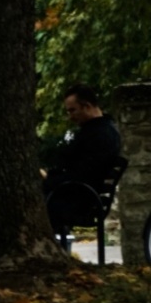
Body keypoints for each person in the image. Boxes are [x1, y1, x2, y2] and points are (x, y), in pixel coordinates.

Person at [43, 85, 122, 240]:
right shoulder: (99, 130)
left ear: (86, 106)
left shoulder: (99, 135)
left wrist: (48, 181)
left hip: (79, 200)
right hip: (79, 195)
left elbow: (84, 174)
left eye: (72, 110)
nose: (70, 116)